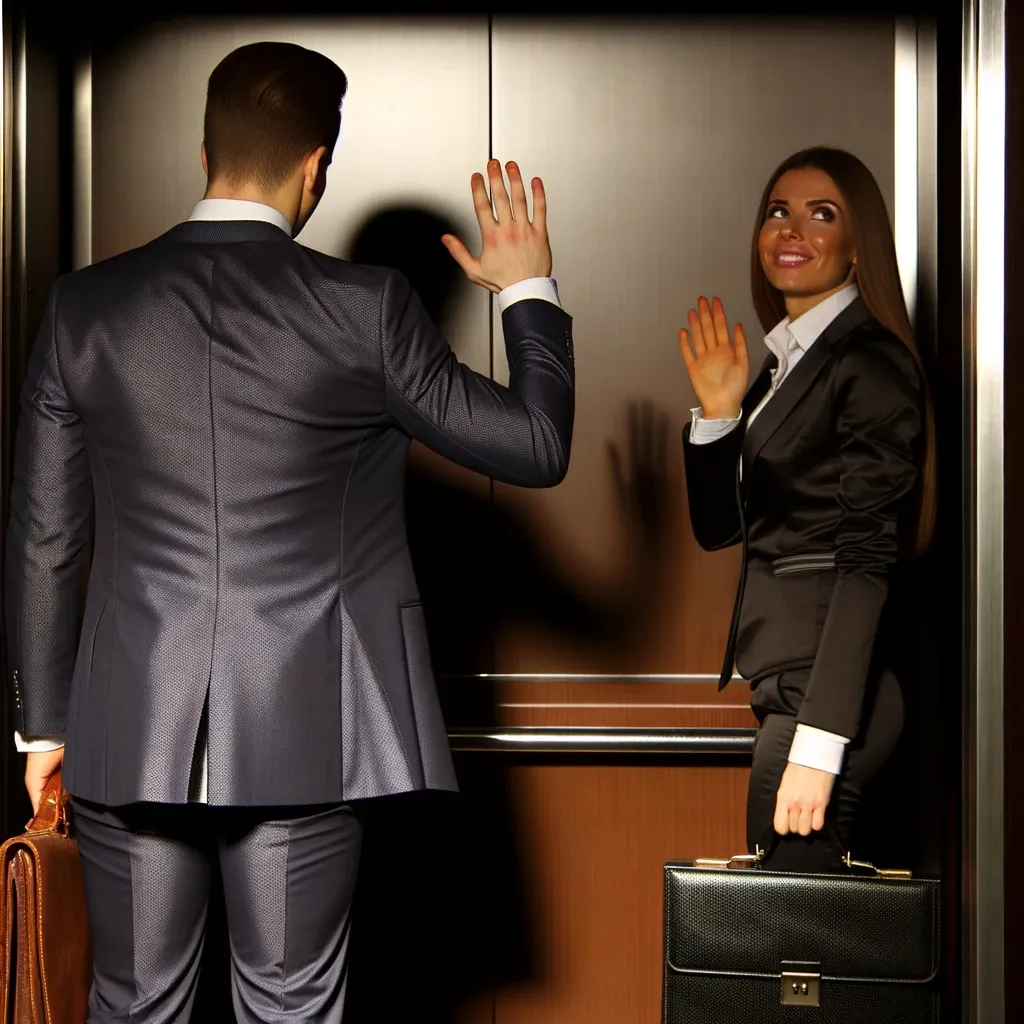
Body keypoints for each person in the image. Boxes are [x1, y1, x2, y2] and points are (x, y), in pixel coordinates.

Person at [5, 41, 574, 1022]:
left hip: (125, 722)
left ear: (202, 150)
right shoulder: (367, 309)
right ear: (317, 163)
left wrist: (44, 726)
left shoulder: (82, 307)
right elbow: (534, 442)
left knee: (134, 1002)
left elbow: (45, 537)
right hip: (307, 724)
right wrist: (526, 289)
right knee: (290, 1004)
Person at [677, 146, 934, 872]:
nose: (791, 231)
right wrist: (720, 416)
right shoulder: (787, 364)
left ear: (859, 248)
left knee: (797, 945)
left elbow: (865, 561)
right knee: (792, 946)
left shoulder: (868, 361)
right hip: (788, 689)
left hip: (828, 696)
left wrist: (821, 745)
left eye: (822, 214)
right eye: (777, 212)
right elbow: (722, 529)